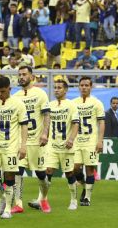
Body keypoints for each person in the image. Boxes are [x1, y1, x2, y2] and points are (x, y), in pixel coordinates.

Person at [0, 76, 28, 219]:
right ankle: (3, 197)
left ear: (10, 89)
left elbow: (24, 125)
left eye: (3, 91)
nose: (0, 94)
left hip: (11, 147)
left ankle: (8, 208)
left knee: (9, 177)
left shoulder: (18, 104)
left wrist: (23, 145)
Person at [13, 66, 50, 213]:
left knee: (41, 174)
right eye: (19, 74)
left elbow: (47, 115)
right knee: (18, 171)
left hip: (37, 141)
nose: (21, 77)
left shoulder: (40, 94)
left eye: (24, 74)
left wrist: (45, 133)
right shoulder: (15, 97)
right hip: (22, 142)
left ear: (32, 76)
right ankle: (18, 203)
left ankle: (44, 198)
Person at [45, 80, 80, 210]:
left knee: (69, 174)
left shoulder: (71, 105)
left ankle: (73, 200)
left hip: (66, 146)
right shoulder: (50, 105)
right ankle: (43, 200)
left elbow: (76, 123)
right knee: (48, 171)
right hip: (52, 146)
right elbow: (47, 123)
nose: (56, 90)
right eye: (55, 87)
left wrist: (71, 139)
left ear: (65, 90)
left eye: (59, 88)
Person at [72, 77, 105, 206]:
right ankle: (85, 186)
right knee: (74, 168)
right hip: (76, 141)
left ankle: (87, 198)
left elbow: (101, 122)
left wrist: (100, 141)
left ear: (91, 87)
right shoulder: (73, 103)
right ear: (79, 87)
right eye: (82, 85)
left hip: (91, 141)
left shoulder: (97, 103)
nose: (84, 87)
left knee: (90, 169)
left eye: (86, 85)